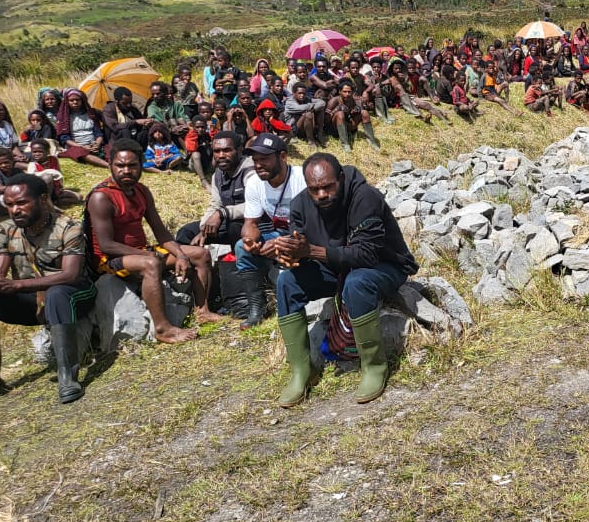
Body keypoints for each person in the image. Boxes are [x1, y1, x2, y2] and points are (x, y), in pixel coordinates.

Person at [271, 153, 418, 407]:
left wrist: (311, 251)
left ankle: (373, 366)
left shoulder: (365, 198)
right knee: (286, 282)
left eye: (328, 186)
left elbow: (365, 255)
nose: (321, 195)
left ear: (340, 178)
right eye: (314, 189)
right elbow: (300, 249)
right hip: (336, 268)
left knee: (357, 282)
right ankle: (302, 372)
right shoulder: (300, 205)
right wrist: (289, 255)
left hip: (385, 265)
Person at [0, 174, 97, 408]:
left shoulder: (68, 228)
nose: (15, 210)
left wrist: (16, 285)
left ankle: (67, 377)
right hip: (35, 300)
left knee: (57, 292)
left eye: (22, 203)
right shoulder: (6, 230)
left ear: (43, 200)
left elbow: (71, 275)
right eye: (10, 204)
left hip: (75, 296)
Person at [86, 140, 224, 344]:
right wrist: (150, 255)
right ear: (110, 165)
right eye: (120, 165)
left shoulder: (141, 191)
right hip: (110, 259)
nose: (126, 170)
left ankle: (202, 310)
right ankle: (162, 329)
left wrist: (181, 255)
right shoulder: (101, 197)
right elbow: (106, 245)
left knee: (200, 254)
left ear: (141, 165)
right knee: (151, 264)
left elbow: (160, 232)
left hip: (140, 251)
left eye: (132, 165)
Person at [234, 133, 307, 329]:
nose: (258, 165)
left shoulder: (302, 178)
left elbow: (314, 225)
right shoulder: (254, 184)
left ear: (282, 157)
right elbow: (250, 223)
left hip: (307, 236)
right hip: (279, 234)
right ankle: (256, 309)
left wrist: (282, 244)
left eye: (264, 159)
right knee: (241, 247)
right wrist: (251, 240)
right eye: (255, 160)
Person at [174, 130, 256, 249]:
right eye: (217, 151)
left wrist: (222, 213)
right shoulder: (217, 175)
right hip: (225, 221)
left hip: (252, 225)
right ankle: (199, 261)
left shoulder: (250, 171)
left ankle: (237, 263)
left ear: (239, 150)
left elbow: (256, 205)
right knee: (186, 232)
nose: (221, 155)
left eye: (227, 150)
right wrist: (204, 229)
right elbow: (215, 204)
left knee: (234, 227)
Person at [56, 88, 110, 168]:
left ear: (82, 100)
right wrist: (82, 146)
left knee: (110, 148)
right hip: (76, 145)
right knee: (80, 153)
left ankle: (114, 162)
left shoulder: (91, 114)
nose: (75, 102)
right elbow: (65, 138)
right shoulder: (64, 117)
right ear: (67, 102)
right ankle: (108, 166)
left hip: (93, 143)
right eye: (72, 100)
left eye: (77, 100)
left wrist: (97, 144)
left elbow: (98, 132)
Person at [25, 139, 81, 207]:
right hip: (42, 192)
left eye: (40, 152)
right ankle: (48, 203)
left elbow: (58, 172)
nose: (37, 154)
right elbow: (31, 177)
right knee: (47, 177)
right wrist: (48, 171)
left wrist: (60, 187)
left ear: (48, 151)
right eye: (34, 152)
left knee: (79, 197)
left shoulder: (53, 159)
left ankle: (55, 202)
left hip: (56, 190)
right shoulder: (33, 164)